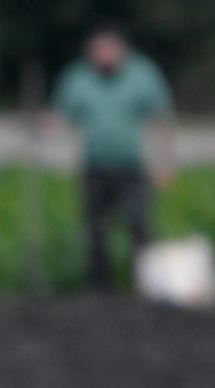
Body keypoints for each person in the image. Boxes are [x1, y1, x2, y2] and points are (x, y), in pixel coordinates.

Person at [52, 25, 176, 293]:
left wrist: (164, 162)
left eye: (109, 51)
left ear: (122, 52)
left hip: (131, 166)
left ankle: (147, 285)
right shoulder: (78, 78)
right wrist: (42, 130)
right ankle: (100, 289)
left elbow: (161, 118)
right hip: (94, 167)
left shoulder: (142, 75)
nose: (104, 58)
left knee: (139, 224)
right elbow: (63, 118)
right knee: (96, 230)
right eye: (98, 53)